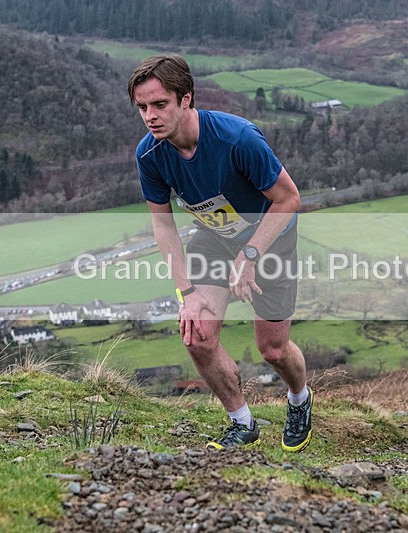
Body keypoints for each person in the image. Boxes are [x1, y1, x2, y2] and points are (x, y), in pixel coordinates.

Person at [127, 55, 312, 451]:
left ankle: (299, 398)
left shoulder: (237, 138)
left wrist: (249, 256)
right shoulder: (149, 155)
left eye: (160, 105)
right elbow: (163, 226)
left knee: (273, 349)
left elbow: (289, 199)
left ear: (186, 99)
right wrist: (186, 295)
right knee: (196, 336)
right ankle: (242, 423)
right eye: (142, 107)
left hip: (270, 237)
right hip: (213, 238)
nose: (150, 116)